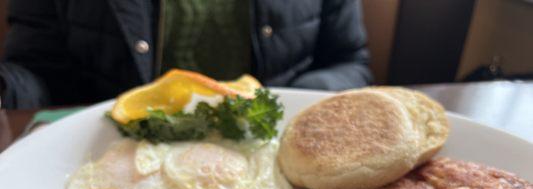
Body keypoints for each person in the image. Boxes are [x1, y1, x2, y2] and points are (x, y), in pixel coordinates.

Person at [0, 0, 372, 109]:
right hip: (111, 159)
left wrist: (290, 108)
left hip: (274, 159)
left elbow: (350, 63)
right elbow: (37, 75)